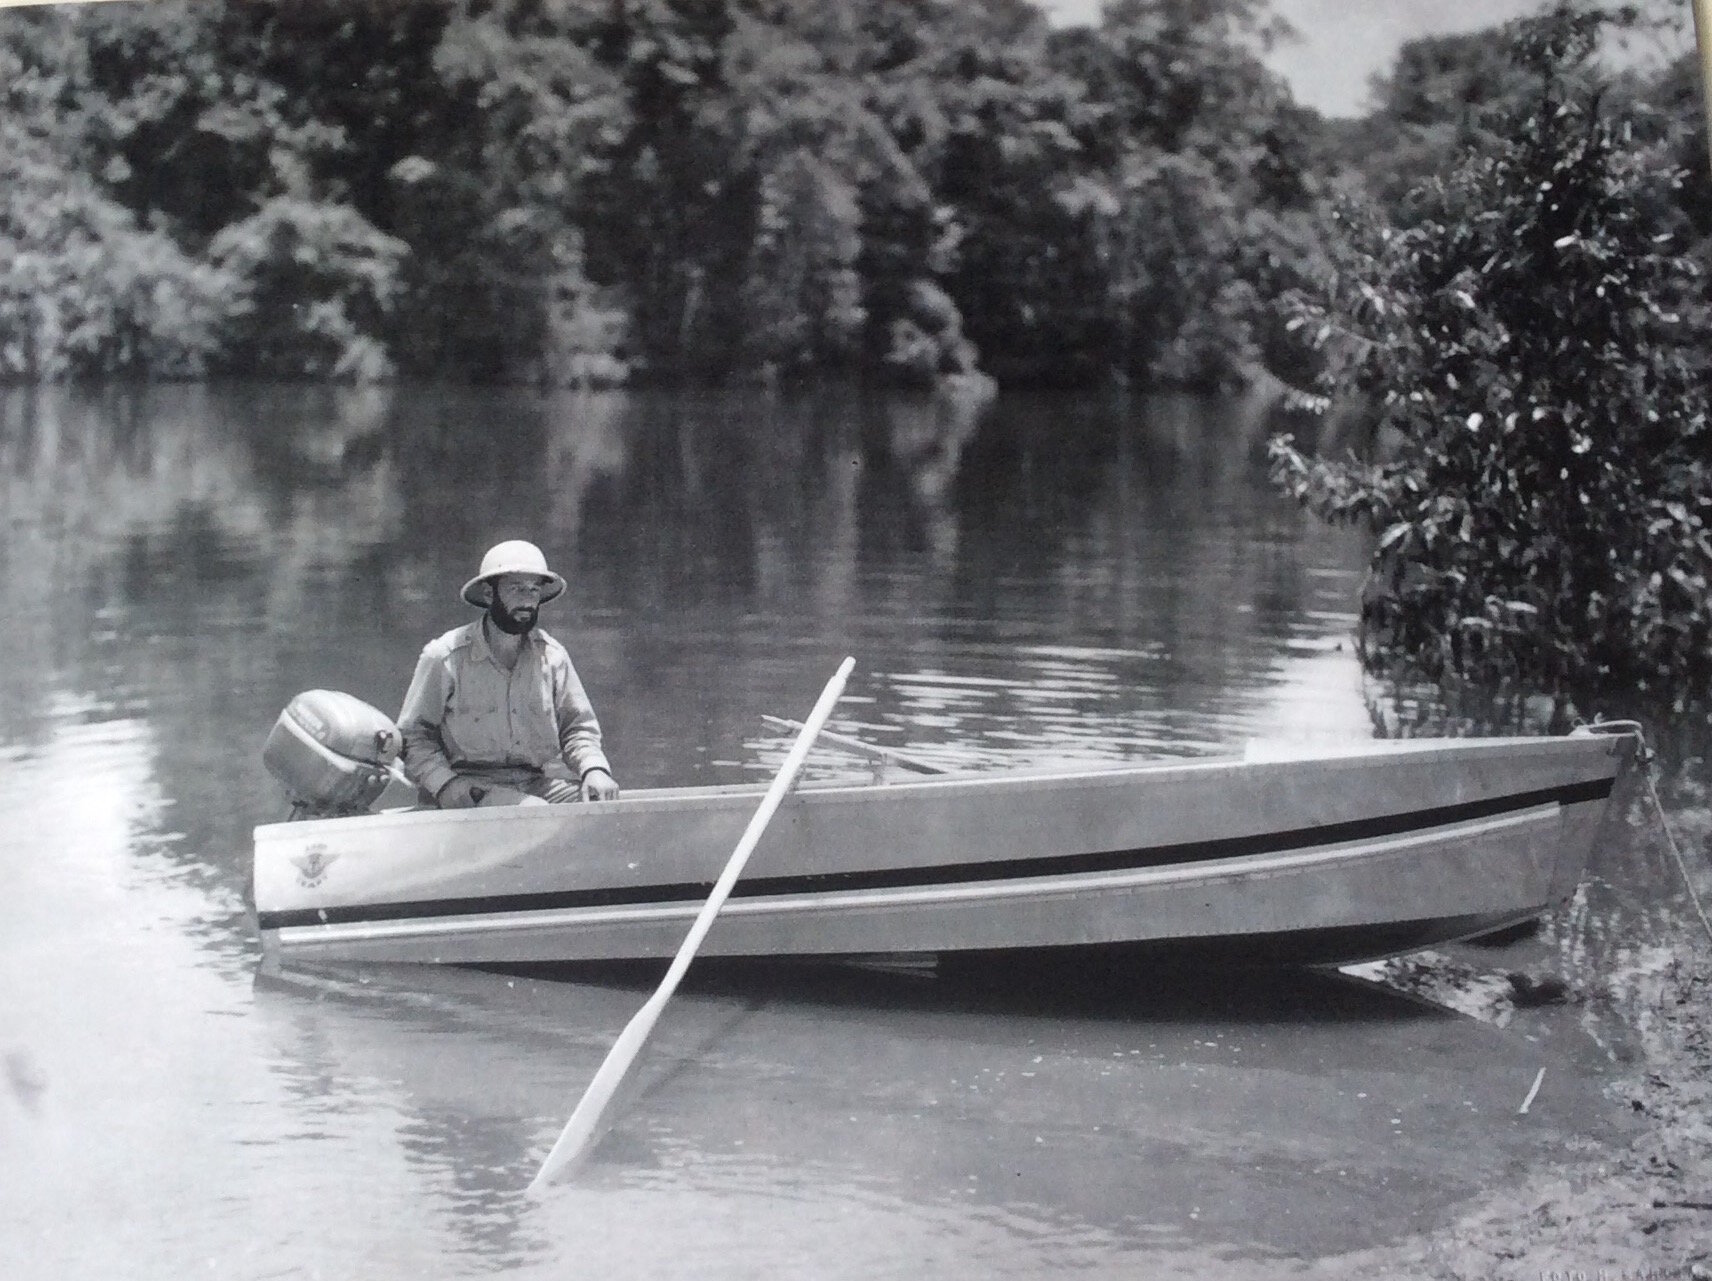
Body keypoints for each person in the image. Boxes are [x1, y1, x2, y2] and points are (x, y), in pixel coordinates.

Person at [397, 540, 620, 808]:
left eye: (534, 590)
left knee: (604, 804)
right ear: (490, 594)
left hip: (537, 784)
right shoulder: (445, 656)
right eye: (516, 589)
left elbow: (577, 729)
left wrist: (594, 770)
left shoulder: (553, 656)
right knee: (532, 811)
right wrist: (445, 784)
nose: (527, 601)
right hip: (466, 785)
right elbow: (412, 736)